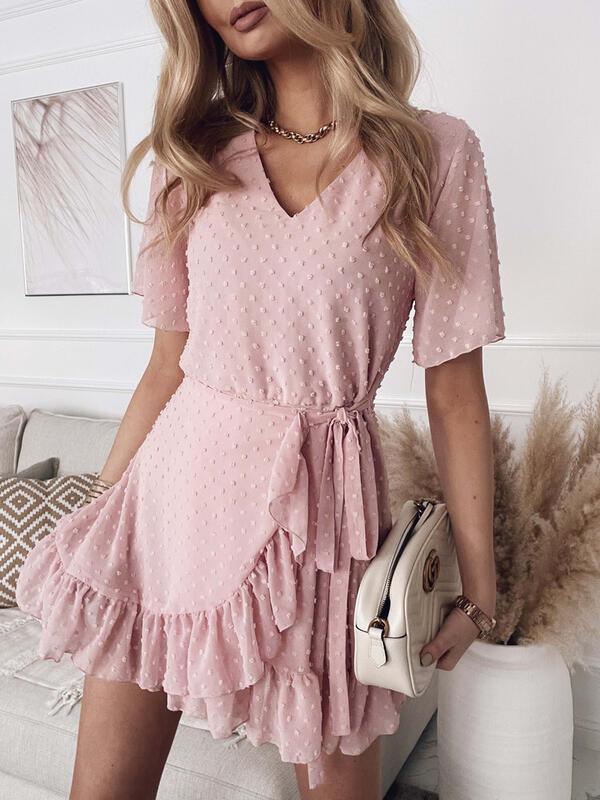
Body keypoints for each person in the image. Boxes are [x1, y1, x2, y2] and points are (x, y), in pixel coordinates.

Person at [16, 1, 506, 798]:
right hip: (167, 516)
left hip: (325, 533)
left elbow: (454, 390)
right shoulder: (194, 158)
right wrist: (101, 511)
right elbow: (166, 367)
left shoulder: (434, 153)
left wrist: (480, 587)